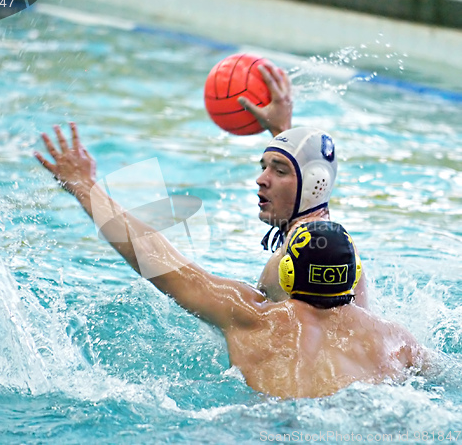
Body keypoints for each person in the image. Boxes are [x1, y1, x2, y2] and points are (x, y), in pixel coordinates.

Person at [34, 125, 425, 399]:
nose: (261, 178)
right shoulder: (395, 340)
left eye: (280, 169)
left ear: (288, 269)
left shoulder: (253, 318)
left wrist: (85, 188)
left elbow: (159, 259)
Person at [238, 62, 368, 306]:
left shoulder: (297, 261)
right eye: (264, 167)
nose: (261, 179)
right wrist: (281, 131)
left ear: (313, 184)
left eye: (278, 170)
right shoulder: (330, 245)